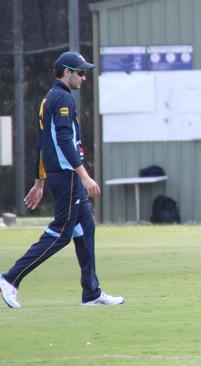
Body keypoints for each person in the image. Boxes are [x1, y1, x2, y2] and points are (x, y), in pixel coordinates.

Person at [0, 51, 124, 308]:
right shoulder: (62, 98)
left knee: (86, 226)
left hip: (62, 175)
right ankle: (10, 279)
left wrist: (39, 181)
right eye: (80, 72)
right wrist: (85, 176)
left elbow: (44, 144)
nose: (84, 77)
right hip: (67, 176)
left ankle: (91, 293)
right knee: (61, 233)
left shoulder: (52, 97)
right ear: (66, 72)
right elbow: (64, 141)